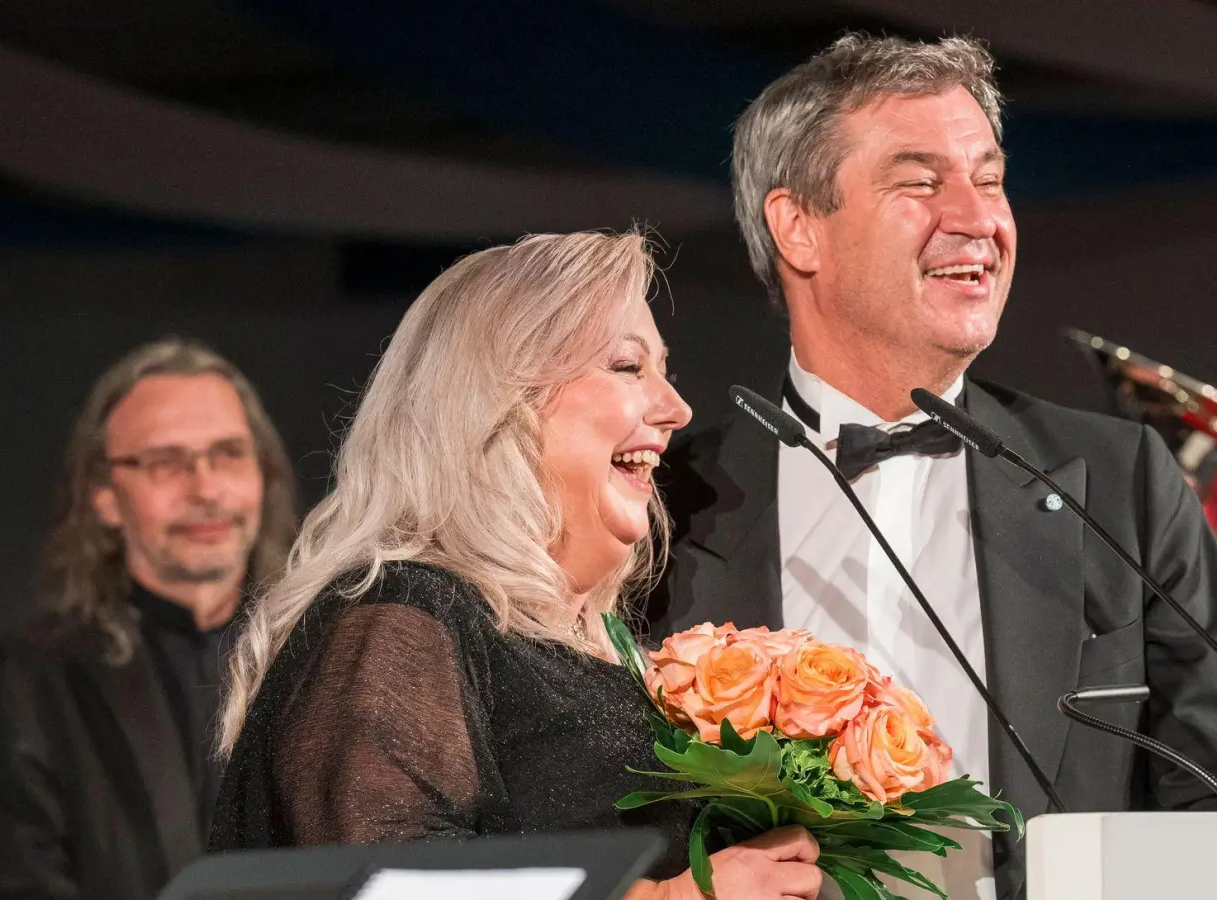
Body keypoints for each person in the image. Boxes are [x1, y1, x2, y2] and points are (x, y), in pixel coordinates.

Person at [646, 35, 1217, 899]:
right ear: (798, 227)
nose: (978, 219)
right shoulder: (670, 505)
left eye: (990, 178)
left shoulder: (1119, 483)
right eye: (920, 182)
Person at [211, 232, 822, 900]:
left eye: (664, 370)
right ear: (499, 402)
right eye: (628, 367)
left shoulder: (612, 650)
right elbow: (381, 883)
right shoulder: (399, 618)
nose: (676, 409)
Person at [0, 338, 300, 900]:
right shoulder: (15, 692)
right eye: (166, 463)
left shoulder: (327, 659)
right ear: (104, 497)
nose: (206, 489)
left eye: (229, 454)